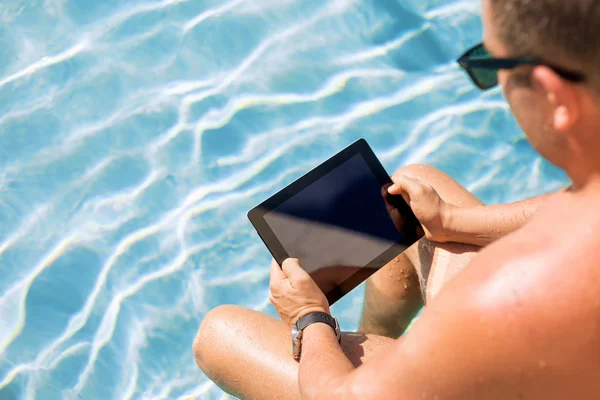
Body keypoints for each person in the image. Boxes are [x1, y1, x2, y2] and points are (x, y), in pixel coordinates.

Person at [193, 0, 600, 398]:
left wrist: (309, 319)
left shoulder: (504, 298)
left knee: (219, 335)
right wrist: (453, 220)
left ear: (554, 97)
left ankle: (375, 359)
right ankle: (382, 343)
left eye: (490, 67)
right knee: (416, 191)